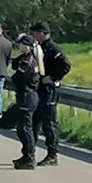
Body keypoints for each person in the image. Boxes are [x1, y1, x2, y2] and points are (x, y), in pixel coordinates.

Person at [31, 21, 72, 167]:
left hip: (49, 90)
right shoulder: (39, 48)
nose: (34, 35)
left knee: (49, 123)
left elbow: (66, 65)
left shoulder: (53, 49)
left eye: (36, 33)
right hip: (39, 89)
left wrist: (53, 77)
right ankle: (30, 153)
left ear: (42, 33)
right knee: (34, 121)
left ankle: (52, 154)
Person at [10, 34, 43, 170]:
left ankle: (30, 157)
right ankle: (26, 155)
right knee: (22, 128)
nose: (19, 46)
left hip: (27, 96)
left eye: (21, 44)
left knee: (25, 128)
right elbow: (14, 64)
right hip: (28, 96)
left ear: (27, 45)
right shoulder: (29, 58)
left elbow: (17, 77)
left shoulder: (28, 61)